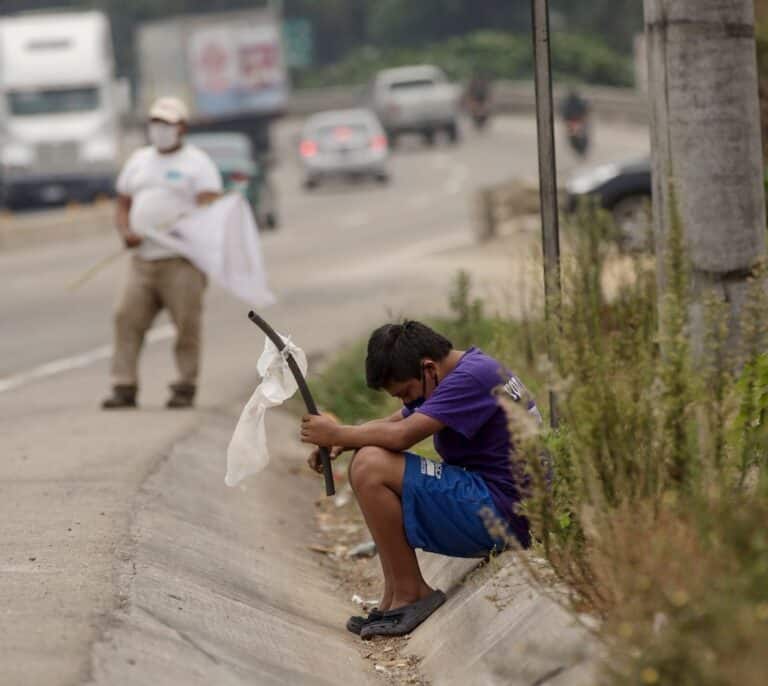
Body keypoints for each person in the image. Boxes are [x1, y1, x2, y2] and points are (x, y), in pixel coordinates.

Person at [300, 321, 540, 639]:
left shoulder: (469, 379)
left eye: (406, 393)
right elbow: (395, 422)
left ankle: (412, 593)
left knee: (371, 466)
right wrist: (344, 441)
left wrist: (339, 432)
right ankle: (394, 597)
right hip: (501, 502)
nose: (405, 403)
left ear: (428, 368)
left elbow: (401, 435)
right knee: (367, 457)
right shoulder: (462, 370)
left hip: (507, 514)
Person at [101, 97, 223, 410]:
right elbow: (123, 203)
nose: (160, 129)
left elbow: (210, 206)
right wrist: (126, 231)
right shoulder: (139, 160)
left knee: (186, 325)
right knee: (125, 317)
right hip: (142, 260)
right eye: (155, 123)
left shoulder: (197, 163)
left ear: (181, 127)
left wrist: (184, 227)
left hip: (181, 262)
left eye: (167, 123)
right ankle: (123, 385)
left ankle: (185, 385)